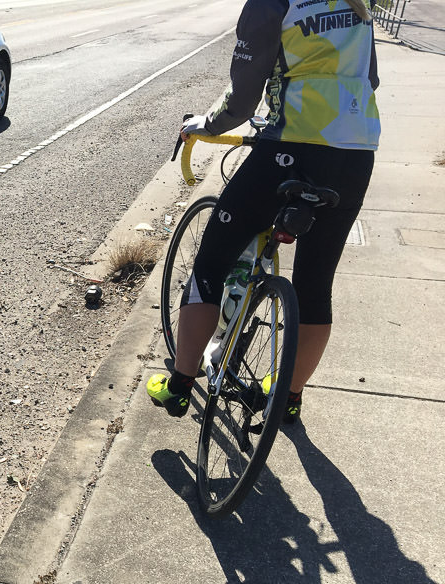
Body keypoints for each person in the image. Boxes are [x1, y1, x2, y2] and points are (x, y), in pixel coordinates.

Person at [148, 0, 380, 424]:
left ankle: (179, 386)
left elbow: (241, 100)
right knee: (314, 286)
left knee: (211, 264)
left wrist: (206, 125)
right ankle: (289, 396)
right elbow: (371, 79)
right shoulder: (358, 3)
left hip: (290, 146)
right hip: (356, 154)